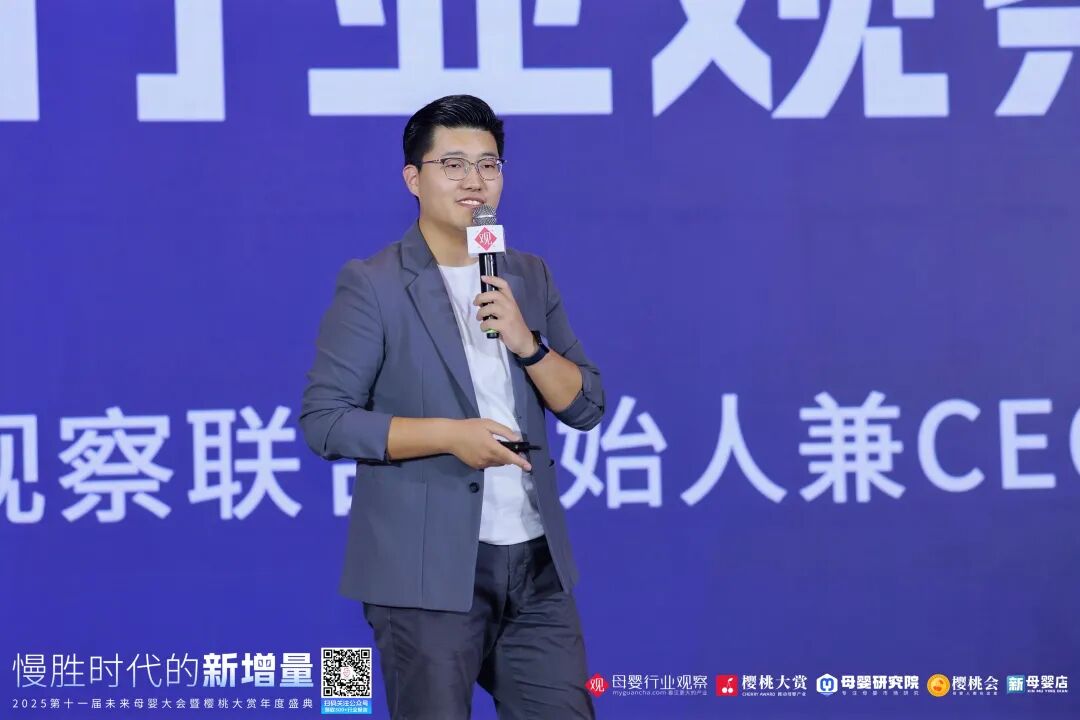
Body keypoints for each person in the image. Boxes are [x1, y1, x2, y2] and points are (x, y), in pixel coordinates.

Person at [299, 94, 605, 720]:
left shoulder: (528, 276)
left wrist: (527, 342)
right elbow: (325, 422)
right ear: (413, 178)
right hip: (424, 573)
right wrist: (449, 436)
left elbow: (586, 406)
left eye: (489, 165)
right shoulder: (374, 283)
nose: (475, 181)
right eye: (454, 164)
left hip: (536, 563)